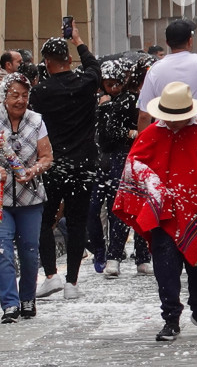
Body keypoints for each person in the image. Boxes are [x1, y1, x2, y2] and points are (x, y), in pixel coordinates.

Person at [113, 82, 197, 341]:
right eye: (169, 118)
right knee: (166, 268)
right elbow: (133, 164)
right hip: (163, 215)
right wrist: (152, 183)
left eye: (179, 118)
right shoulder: (152, 134)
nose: (174, 123)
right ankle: (171, 318)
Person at [30, 28, 101, 300]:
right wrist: (79, 41)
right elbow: (94, 67)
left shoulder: (40, 92)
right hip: (83, 163)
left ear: (47, 63)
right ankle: (72, 282)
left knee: (43, 221)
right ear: (69, 60)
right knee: (77, 222)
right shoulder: (85, 83)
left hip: (52, 165)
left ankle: (51, 275)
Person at [89, 60, 152, 278]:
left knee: (139, 206)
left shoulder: (138, 99)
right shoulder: (123, 101)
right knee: (123, 207)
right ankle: (114, 255)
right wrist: (133, 134)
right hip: (118, 158)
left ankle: (139, 256)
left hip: (135, 157)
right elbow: (109, 132)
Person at [0, 73, 53, 323]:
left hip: (30, 197)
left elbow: (47, 158)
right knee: (3, 252)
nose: (20, 100)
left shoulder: (36, 121)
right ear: (4, 97)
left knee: (30, 252)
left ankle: (27, 298)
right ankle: (9, 304)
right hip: (1, 199)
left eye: (24, 95)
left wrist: (33, 170)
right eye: (14, 95)